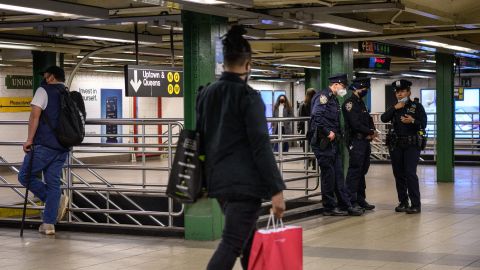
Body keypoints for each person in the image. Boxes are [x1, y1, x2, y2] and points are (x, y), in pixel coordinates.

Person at [197, 25, 286, 270]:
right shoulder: (248, 97)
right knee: (232, 243)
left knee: (249, 241)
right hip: (245, 186)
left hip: (219, 184)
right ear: (248, 64)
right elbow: (260, 146)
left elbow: (201, 139)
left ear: (223, 62)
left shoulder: (206, 94)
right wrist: (276, 190)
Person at [18, 66, 70, 235]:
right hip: (63, 146)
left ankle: (52, 202)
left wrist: (29, 140)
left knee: (24, 175)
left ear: (51, 77)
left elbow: (35, 116)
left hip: (44, 145)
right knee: (53, 182)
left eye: (46, 75)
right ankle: (48, 224)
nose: (44, 78)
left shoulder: (43, 91)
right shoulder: (67, 93)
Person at [309, 73, 364, 217]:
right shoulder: (324, 97)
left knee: (338, 175)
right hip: (323, 142)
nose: (344, 89)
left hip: (333, 144)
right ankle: (328, 207)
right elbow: (316, 117)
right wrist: (328, 132)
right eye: (343, 86)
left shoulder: (333, 99)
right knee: (329, 175)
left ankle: (345, 205)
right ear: (336, 84)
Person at [381, 79, 427, 214]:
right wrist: (394, 108)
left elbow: (423, 123)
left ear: (408, 92)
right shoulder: (394, 107)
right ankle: (403, 202)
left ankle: (416, 204)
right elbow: (384, 118)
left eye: (402, 91)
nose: (399, 94)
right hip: (396, 145)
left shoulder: (417, 106)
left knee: (410, 173)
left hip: (411, 144)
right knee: (398, 174)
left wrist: (412, 121)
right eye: (397, 92)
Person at [342, 78, 376, 211]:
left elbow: (368, 119)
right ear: (356, 89)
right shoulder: (349, 103)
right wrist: (369, 132)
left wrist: (372, 131)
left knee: (363, 169)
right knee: (355, 170)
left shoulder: (360, 103)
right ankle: (350, 200)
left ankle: (361, 199)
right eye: (364, 89)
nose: (365, 91)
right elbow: (355, 124)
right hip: (356, 141)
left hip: (364, 140)